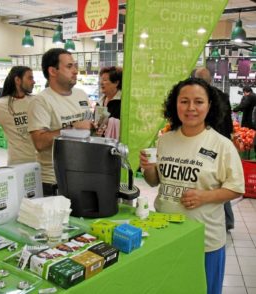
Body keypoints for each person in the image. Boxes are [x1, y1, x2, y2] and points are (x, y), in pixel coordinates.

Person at [140, 78, 245, 294]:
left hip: (205, 241)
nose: (191, 108)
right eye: (184, 101)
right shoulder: (165, 140)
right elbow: (155, 181)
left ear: (209, 106)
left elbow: (236, 188)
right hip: (166, 234)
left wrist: (203, 197)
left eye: (198, 102)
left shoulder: (222, 145)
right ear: (174, 104)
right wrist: (148, 168)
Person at [28, 48, 92, 196]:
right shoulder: (41, 101)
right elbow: (39, 143)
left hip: (81, 175)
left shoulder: (81, 95)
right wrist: (72, 128)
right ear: (52, 71)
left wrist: (94, 128)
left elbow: (86, 129)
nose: (75, 71)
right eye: (69, 66)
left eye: (75, 66)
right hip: (53, 182)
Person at [194, 67, 235, 231]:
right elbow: (229, 122)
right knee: (222, 182)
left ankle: (221, 220)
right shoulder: (222, 95)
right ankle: (228, 220)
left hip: (206, 143)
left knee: (211, 182)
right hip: (222, 141)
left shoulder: (200, 97)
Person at [0, 66, 36, 165]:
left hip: (42, 163)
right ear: (18, 80)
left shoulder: (35, 101)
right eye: (30, 78)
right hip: (19, 165)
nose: (33, 82)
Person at [95, 66, 122, 139]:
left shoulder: (123, 103)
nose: (101, 82)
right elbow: (97, 123)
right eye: (101, 79)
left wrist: (109, 122)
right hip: (100, 143)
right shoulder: (100, 102)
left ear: (116, 83)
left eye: (105, 80)